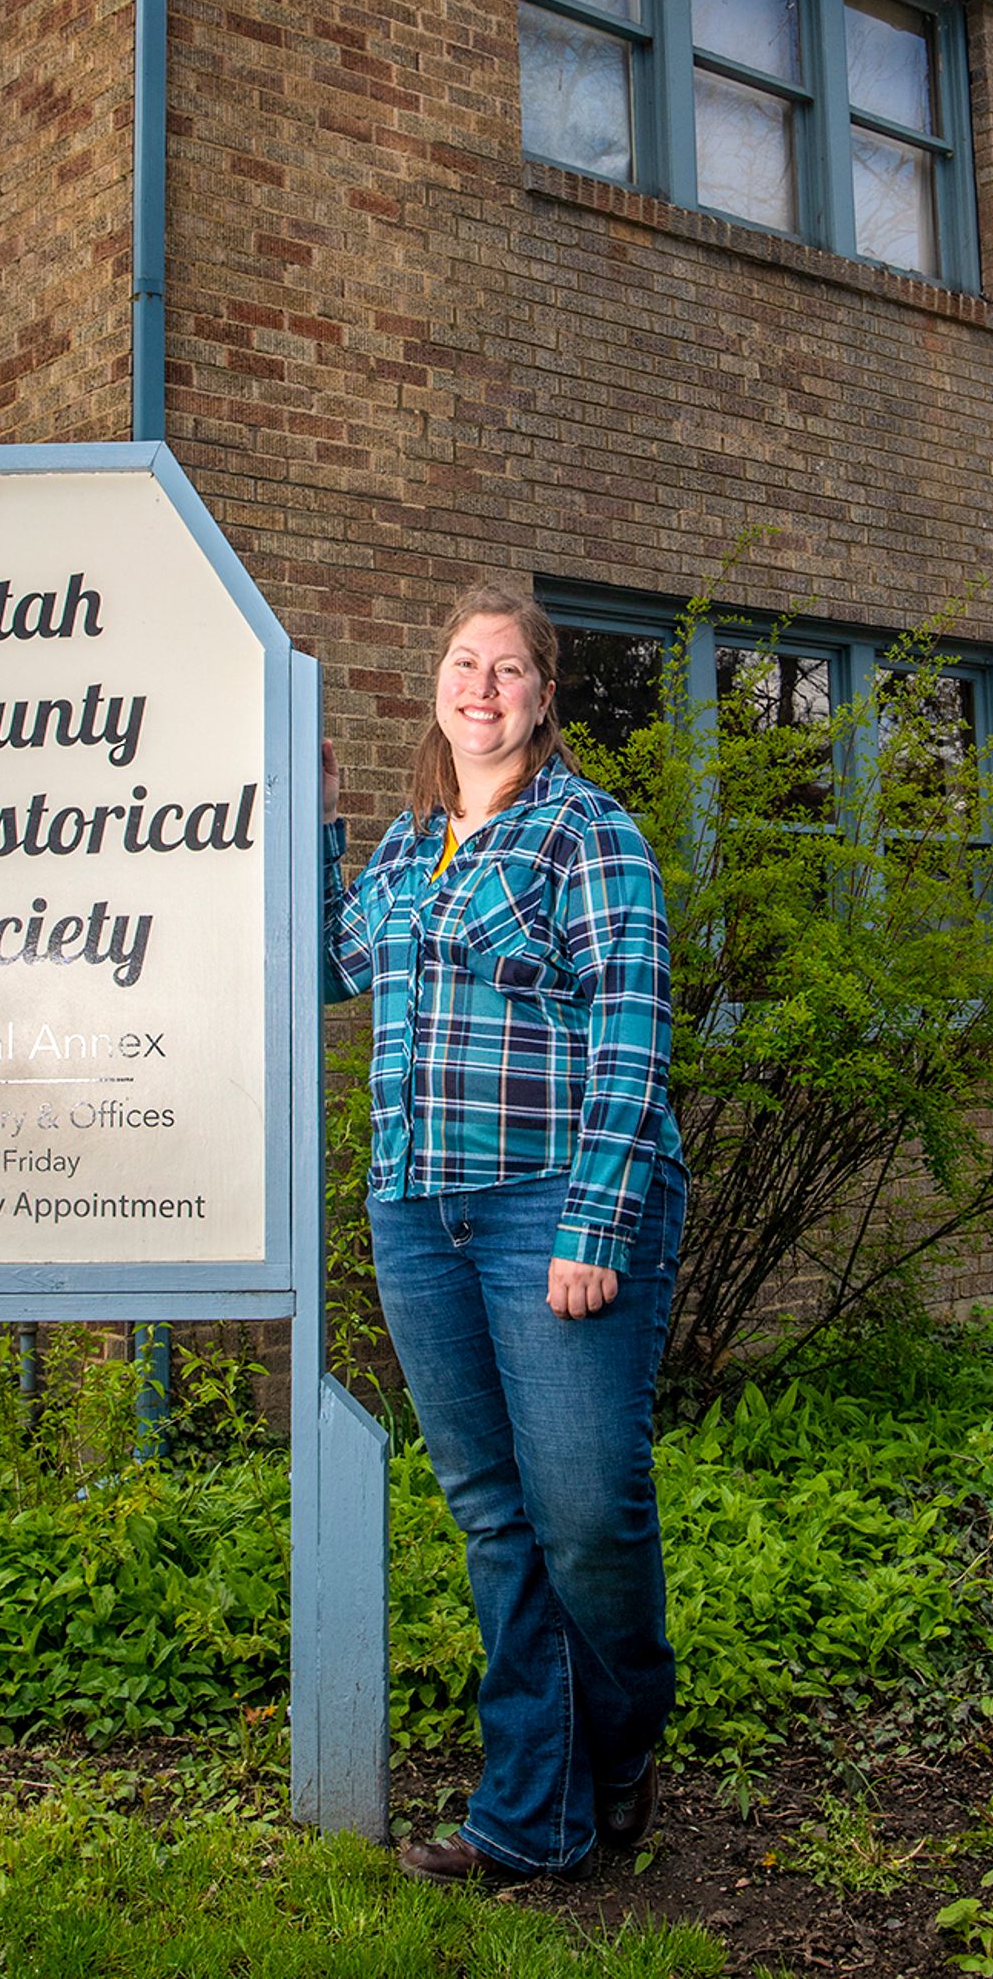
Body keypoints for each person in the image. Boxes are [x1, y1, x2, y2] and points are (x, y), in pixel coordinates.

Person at [325, 582, 682, 1884]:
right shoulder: (409, 846)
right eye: (463, 664)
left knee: (583, 1506)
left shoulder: (590, 833)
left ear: (544, 693)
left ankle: (624, 1736)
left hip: (553, 1205)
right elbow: (326, 964)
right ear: (437, 685)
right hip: (418, 1208)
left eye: (510, 668)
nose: (482, 686)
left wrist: (595, 1216)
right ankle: (534, 1812)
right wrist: (314, 813)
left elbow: (635, 1030)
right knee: (493, 1511)